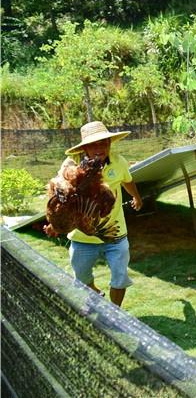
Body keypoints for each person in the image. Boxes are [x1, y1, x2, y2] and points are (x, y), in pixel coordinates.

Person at [63, 121, 142, 307]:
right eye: (93, 144)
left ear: (109, 143)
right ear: (84, 147)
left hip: (115, 233)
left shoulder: (118, 162)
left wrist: (137, 197)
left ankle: (115, 312)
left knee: (120, 277)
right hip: (83, 236)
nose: (99, 148)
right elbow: (61, 195)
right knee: (81, 277)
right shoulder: (72, 166)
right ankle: (95, 292)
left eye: (104, 143)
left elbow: (127, 181)